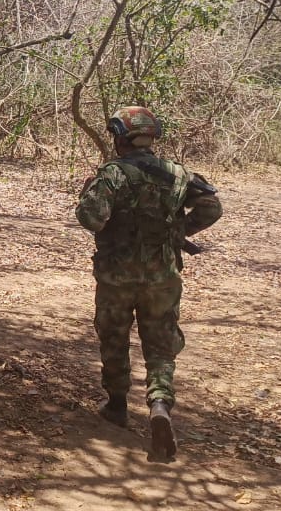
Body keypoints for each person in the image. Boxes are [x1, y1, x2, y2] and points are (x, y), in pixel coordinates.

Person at [76, 106, 222, 460]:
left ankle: (116, 405)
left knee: (114, 336)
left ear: (119, 137)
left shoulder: (113, 173)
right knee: (160, 342)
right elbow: (211, 208)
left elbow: (91, 218)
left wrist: (89, 195)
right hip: (162, 275)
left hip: (116, 276)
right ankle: (159, 403)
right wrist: (178, 232)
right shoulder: (178, 173)